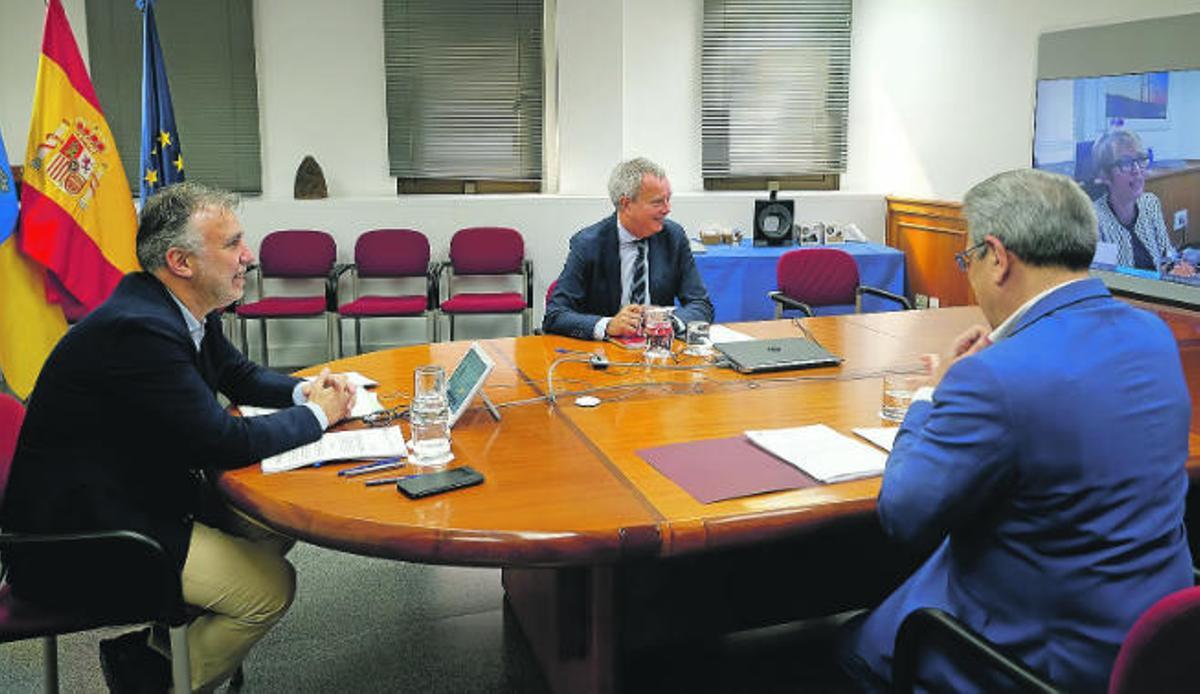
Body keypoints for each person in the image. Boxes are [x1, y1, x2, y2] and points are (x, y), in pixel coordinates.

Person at [841, 169, 1193, 692]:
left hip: (1041, 661)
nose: (970, 278)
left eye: (968, 262)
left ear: (998, 257)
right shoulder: (1152, 335)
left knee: (855, 646)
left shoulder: (993, 376)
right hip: (1157, 646)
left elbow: (904, 513)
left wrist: (932, 394)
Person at [0, 182, 356, 693]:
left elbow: (239, 375)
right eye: (232, 244)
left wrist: (306, 393)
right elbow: (223, 441)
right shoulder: (139, 330)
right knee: (269, 590)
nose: (248, 256)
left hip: (131, 491)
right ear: (181, 262)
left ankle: (153, 650)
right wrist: (321, 418)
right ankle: (157, 683)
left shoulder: (176, 307)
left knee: (277, 520)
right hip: (81, 535)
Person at [542, 157, 714, 340]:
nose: (667, 209)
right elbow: (555, 315)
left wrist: (668, 322)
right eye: (657, 202)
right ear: (626, 204)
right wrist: (608, 325)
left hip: (657, 354)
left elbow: (701, 304)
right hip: (605, 354)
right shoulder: (588, 244)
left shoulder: (673, 237)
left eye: (668, 199)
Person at [1092, 129, 1195, 275]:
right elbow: (1106, 280)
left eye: (1140, 160)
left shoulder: (1150, 203)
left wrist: (1176, 269)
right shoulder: (1093, 220)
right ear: (1105, 175)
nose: (1137, 170)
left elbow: (1166, 256)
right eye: (1126, 163)